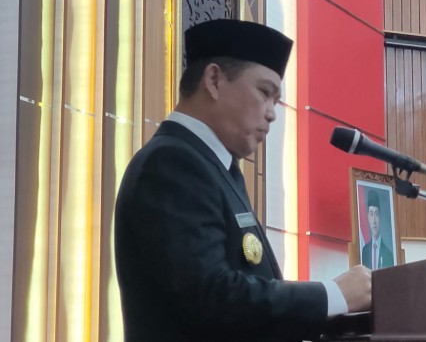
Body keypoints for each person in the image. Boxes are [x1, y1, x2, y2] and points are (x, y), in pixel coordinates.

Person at [114, 19, 371, 342]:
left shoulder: (216, 167)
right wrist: (332, 295)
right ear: (214, 80)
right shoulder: (172, 163)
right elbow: (212, 298)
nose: (272, 113)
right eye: (265, 92)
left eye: (276, 100)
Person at [361, 191, 394, 270]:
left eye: (376, 214)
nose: (374, 221)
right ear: (368, 217)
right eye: (371, 214)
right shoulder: (364, 251)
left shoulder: (388, 254)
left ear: (380, 217)